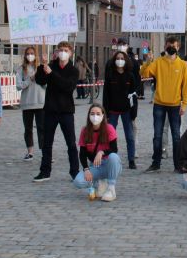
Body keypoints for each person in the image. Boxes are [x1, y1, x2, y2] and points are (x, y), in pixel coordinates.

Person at [141, 37, 187, 172]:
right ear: (165, 47)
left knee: (176, 136)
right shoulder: (158, 62)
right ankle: (156, 163)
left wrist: (184, 105)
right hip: (159, 104)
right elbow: (144, 74)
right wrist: (148, 61)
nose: (171, 48)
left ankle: (178, 165)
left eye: (174, 46)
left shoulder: (182, 65)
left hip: (175, 105)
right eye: (169, 45)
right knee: (157, 135)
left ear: (178, 47)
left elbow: (186, 87)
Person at [34, 41, 79, 182]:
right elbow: (40, 80)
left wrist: (52, 74)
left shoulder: (73, 70)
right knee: (47, 143)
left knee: (71, 143)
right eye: (60, 50)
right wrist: (42, 66)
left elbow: (68, 86)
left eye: (65, 50)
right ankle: (45, 171)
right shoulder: (51, 65)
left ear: (70, 53)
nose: (63, 52)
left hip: (66, 111)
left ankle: (75, 172)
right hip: (51, 110)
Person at [73, 104, 121, 201]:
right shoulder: (85, 130)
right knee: (78, 182)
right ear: (89, 115)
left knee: (113, 156)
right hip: (95, 166)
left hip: (110, 165)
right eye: (92, 113)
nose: (95, 116)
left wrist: (101, 152)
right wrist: (86, 169)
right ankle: (99, 182)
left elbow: (114, 149)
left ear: (103, 115)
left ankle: (111, 188)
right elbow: (82, 153)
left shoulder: (109, 128)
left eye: (98, 114)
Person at [103, 49, 140, 169]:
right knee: (110, 136)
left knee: (129, 136)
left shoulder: (130, 76)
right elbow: (106, 95)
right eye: (118, 58)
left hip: (126, 111)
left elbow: (133, 95)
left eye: (122, 59)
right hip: (112, 111)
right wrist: (105, 112)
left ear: (126, 61)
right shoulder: (110, 75)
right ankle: (111, 158)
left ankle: (131, 160)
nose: (120, 60)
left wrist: (134, 113)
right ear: (114, 61)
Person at [16, 46, 45, 161]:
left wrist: (41, 75)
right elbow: (19, 86)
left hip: (40, 102)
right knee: (28, 129)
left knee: (42, 128)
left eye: (32, 53)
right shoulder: (21, 69)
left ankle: (45, 152)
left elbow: (46, 84)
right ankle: (30, 152)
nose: (30, 55)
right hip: (27, 103)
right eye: (28, 53)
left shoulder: (40, 67)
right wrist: (29, 79)